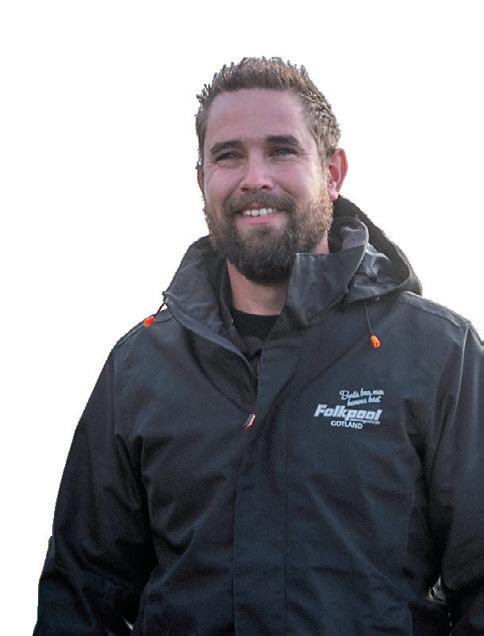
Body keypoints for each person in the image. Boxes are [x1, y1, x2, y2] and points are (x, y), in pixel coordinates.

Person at [35, 57, 483, 635]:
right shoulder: (140, 368)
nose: (255, 179)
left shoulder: (439, 355)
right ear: (202, 180)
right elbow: (81, 592)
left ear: (333, 172)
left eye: (281, 150)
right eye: (228, 156)